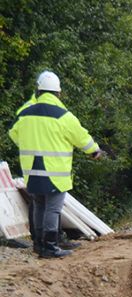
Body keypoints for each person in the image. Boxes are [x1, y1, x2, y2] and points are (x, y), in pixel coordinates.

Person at [8, 70, 104, 258]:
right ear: (58, 93)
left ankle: (39, 245)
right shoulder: (63, 116)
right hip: (54, 172)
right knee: (53, 208)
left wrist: (28, 143)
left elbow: (13, 132)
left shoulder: (25, 113)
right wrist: (95, 151)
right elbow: (81, 137)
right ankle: (51, 247)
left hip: (32, 170)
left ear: (38, 91)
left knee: (38, 205)